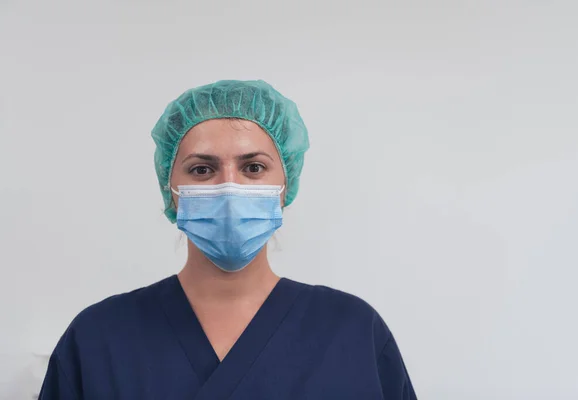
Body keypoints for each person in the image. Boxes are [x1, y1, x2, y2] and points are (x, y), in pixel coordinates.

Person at [39, 80, 417, 399]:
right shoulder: (98, 340)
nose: (229, 186)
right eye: (202, 169)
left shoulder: (353, 333)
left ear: (285, 186)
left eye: (253, 168)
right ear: (171, 189)